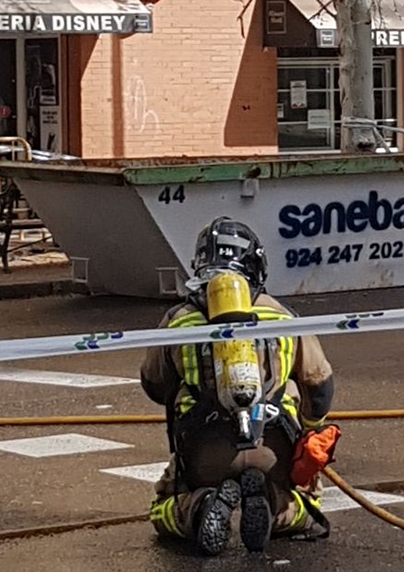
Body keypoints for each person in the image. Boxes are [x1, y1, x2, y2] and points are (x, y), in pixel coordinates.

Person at [141, 217, 338, 556]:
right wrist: (309, 433)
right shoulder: (282, 316)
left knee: (164, 510)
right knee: (305, 511)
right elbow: (319, 387)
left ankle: (199, 505)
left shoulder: (179, 319)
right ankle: (274, 503)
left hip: (206, 451)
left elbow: (154, 385)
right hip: (274, 447)